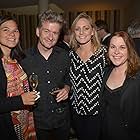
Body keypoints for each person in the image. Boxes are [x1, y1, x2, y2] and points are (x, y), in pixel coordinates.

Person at [21, 9, 71, 140]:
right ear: (38, 31)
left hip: (62, 121)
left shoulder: (65, 56)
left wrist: (67, 88)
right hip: (37, 124)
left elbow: (68, 79)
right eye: (46, 31)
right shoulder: (24, 59)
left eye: (55, 33)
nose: (50, 37)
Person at [69, 12, 107, 140]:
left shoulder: (104, 53)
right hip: (77, 112)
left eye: (86, 28)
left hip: (98, 114)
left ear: (92, 31)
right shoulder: (70, 55)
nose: (81, 32)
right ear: (74, 32)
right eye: (77, 29)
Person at [0, 15, 37, 139]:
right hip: (7, 127)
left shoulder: (18, 60)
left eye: (15, 30)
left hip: (25, 123)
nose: (12, 34)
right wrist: (21, 100)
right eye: (6, 30)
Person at [100, 31, 140, 140]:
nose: (116, 52)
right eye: (113, 47)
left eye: (122, 47)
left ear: (129, 50)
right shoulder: (105, 72)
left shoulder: (137, 78)